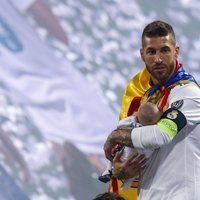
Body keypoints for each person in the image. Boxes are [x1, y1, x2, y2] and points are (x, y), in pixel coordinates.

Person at [104, 20, 200, 200]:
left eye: (164, 50)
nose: (158, 59)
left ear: (176, 51)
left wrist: (115, 136)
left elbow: (161, 135)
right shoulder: (148, 97)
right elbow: (145, 155)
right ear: (142, 55)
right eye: (151, 52)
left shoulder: (188, 93)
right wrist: (121, 171)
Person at [99, 102, 162, 190]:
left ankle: (108, 172)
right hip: (137, 158)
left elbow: (120, 126)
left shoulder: (132, 121)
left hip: (126, 154)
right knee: (136, 163)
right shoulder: (138, 91)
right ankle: (113, 174)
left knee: (115, 157)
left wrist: (115, 136)